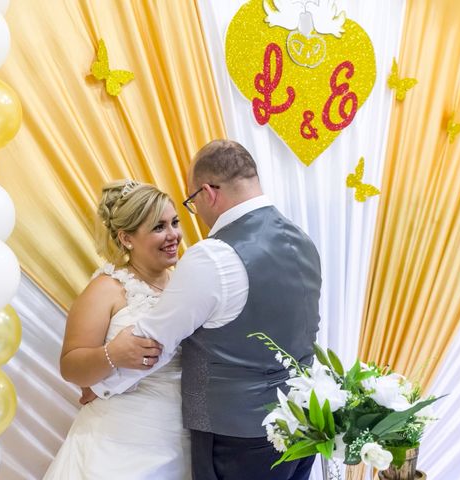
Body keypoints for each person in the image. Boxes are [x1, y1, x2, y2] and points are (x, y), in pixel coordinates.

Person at [89, 140, 322, 480]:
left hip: (237, 437)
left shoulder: (213, 255)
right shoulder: (302, 239)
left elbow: (153, 342)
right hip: (304, 422)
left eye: (192, 203)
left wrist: (98, 386)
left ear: (209, 192)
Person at [43, 179, 191, 480]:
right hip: (116, 444)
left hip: (180, 439)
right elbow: (71, 367)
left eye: (174, 222)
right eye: (158, 227)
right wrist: (112, 355)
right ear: (126, 238)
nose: (173, 235)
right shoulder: (106, 289)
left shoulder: (188, 284)